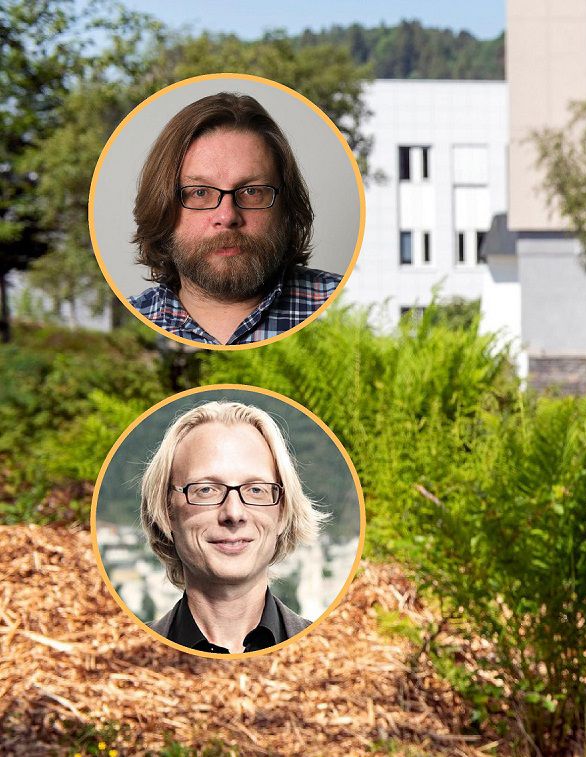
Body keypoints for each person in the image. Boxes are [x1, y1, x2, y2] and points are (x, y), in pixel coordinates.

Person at [127, 92, 341, 345]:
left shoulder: (341, 308)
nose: (227, 216)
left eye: (252, 191)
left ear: (286, 207)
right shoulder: (133, 327)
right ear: (162, 207)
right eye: (200, 192)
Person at [138, 401, 329, 654]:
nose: (234, 513)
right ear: (166, 511)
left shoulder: (333, 659)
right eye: (205, 489)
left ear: (283, 512)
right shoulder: (125, 664)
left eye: (256, 489)